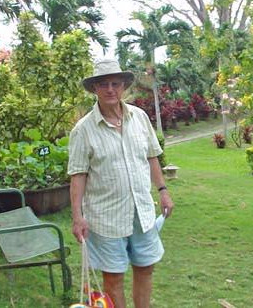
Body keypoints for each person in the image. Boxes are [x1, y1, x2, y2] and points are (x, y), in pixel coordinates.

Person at [67, 58, 175, 307]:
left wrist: (163, 191)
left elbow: (151, 157)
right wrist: (77, 216)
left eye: (116, 83)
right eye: (103, 84)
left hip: (142, 212)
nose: (110, 89)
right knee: (113, 278)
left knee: (145, 268)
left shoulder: (139, 118)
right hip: (106, 218)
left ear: (124, 85)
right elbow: (78, 175)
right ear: (94, 88)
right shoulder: (83, 130)